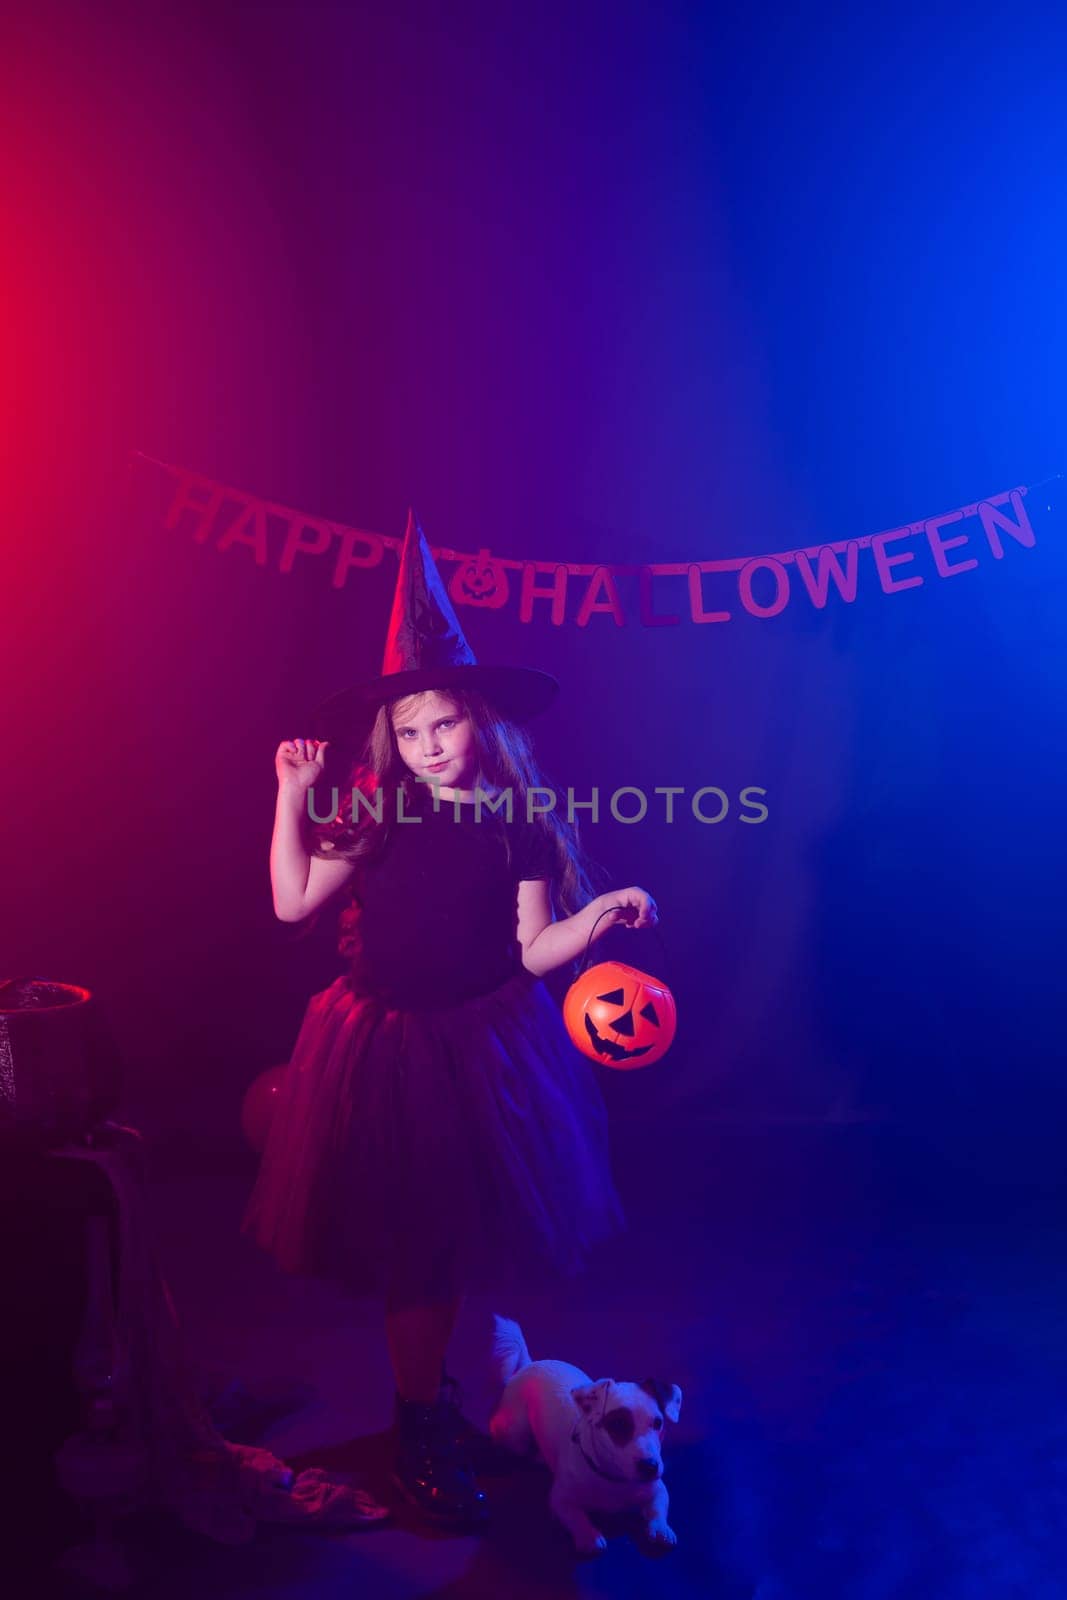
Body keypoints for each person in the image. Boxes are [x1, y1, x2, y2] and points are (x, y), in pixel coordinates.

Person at [242, 512, 659, 1531]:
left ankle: (441, 1402)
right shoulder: (377, 809)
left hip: (481, 1046)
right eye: (412, 731)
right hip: (383, 1048)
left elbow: (531, 951)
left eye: (445, 725)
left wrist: (596, 917)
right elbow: (293, 903)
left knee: (450, 1244)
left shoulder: (516, 819)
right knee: (418, 1249)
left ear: (478, 718)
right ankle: (418, 1419)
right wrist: (293, 797)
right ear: (394, 736)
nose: (429, 747)